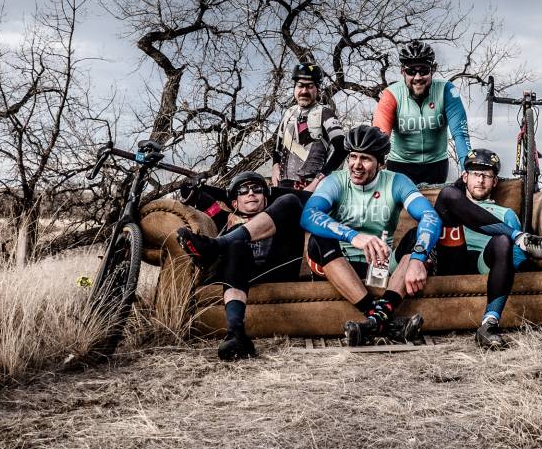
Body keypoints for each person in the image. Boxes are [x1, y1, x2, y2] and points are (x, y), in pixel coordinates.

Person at [301, 124, 441, 345]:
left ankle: (374, 323)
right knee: (319, 239)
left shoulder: (397, 182)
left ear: (381, 163)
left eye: (365, 158)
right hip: (340, 264)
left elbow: (430, 217)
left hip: (380, 267)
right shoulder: (335, 181)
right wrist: (353, 236)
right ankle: (382, 318)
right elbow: (308, 215)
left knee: (417, 237)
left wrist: (418, 258)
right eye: (352, 157)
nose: (356, 165)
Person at [429, 148, 542, 349]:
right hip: (451, 258)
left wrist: (524, 267)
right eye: (476, 174)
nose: (480, 180)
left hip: (486, 262)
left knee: (503, 241)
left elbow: (513, 256)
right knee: (447, 194)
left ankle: (489, 325)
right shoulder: (453, 201)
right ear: (465, 177)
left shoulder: (506, 213)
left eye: (487, 176)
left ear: (495, 182)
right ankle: (520, 237)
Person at [176, 172, 305, 361]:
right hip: (241, 273)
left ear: (266, 199)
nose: (251, 193)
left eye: (257, 189)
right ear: (234, 204)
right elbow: (190, 190)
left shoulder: (282, 214)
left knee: (291, 200)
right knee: (235, 245)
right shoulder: (224, 219)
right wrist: (205, 187)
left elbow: (297, 198)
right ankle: (236, 334)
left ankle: (216, 246)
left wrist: (228, 192)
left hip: (277, 270)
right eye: (243, 191)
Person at [372, 41, 469, 185]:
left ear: (433, 69)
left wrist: (467, 168)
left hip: (436, 165)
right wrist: (374, 165)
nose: (417, 77)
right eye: (411, 71)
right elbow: (379, 137)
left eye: (423, 70)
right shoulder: (391, 95)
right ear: (402, 71)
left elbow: (460, 134)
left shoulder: (446, 91)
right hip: (399, 165)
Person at [272, 62, 347, 190]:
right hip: (283, 185)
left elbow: (342, 149)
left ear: (317, 89)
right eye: (300, 86)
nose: (304, 91)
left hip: (311, 187)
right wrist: (274, 166)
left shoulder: (325, 113)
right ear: (294, 88)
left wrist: (318, 181)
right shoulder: (288, 113)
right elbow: (277, 146)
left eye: (310, 86)